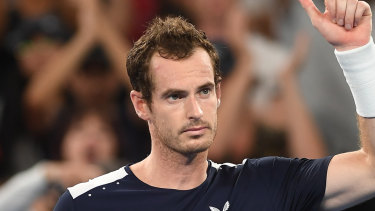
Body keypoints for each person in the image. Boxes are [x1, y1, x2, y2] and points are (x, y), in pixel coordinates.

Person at [54, 0, 375, 210]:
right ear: (141, 105)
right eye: (175, 96)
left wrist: (356, 52)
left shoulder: (268, 183)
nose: (195, 110)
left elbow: (371, 169)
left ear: (219, 92)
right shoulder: (87, 203)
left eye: (204, 91)